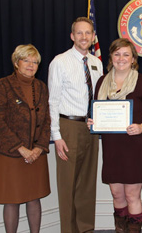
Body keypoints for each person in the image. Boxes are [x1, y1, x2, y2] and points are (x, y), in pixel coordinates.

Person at [88, 38, 142, 233]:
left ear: (133, 58)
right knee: (116, 193)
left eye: (126, 54)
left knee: (131, 195)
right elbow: (96, 110)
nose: (121, 58)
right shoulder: (103, 82)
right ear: (111, 57)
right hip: (112, 147)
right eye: (117, 54)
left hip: (136, 146)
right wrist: (92, 121)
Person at [48, 17, 103, 232]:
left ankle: (86, 228)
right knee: (68, 184)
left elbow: (100, 96)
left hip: (91, 128)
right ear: (72, 36)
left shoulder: (96, 63)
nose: (83, 37)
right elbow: (53, 100)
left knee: (87, 184)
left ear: (92, 37)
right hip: (68, 128)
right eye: (79, 33)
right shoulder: (59, 62)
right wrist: (56, 135)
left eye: (88, 33)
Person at [0, 44, 51, 233]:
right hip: (11, 152)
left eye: (35, 62)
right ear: (17, 63)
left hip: (36, 153)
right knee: (12, 200)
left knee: (34, 197)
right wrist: (21, 148)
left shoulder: (41, 87)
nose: (31, 65)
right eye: (27, 60)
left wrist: (39, 148)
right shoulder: (3, 85)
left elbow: (47, 120)